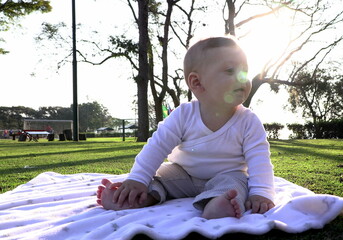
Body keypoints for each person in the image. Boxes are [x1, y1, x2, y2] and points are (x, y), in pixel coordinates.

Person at [97, 36, 275, 219]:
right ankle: (137, 198)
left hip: (227, 176)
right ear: (197, 83)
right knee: (158, 177)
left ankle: (219, 204)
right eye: (230, 70)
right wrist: (138, 179)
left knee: (237, 185)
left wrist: (261, 192)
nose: (243, 78)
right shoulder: (183, 115)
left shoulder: (248, 121)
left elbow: (259, 160)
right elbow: (157, 146)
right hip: (183, 175)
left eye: (245, 71)